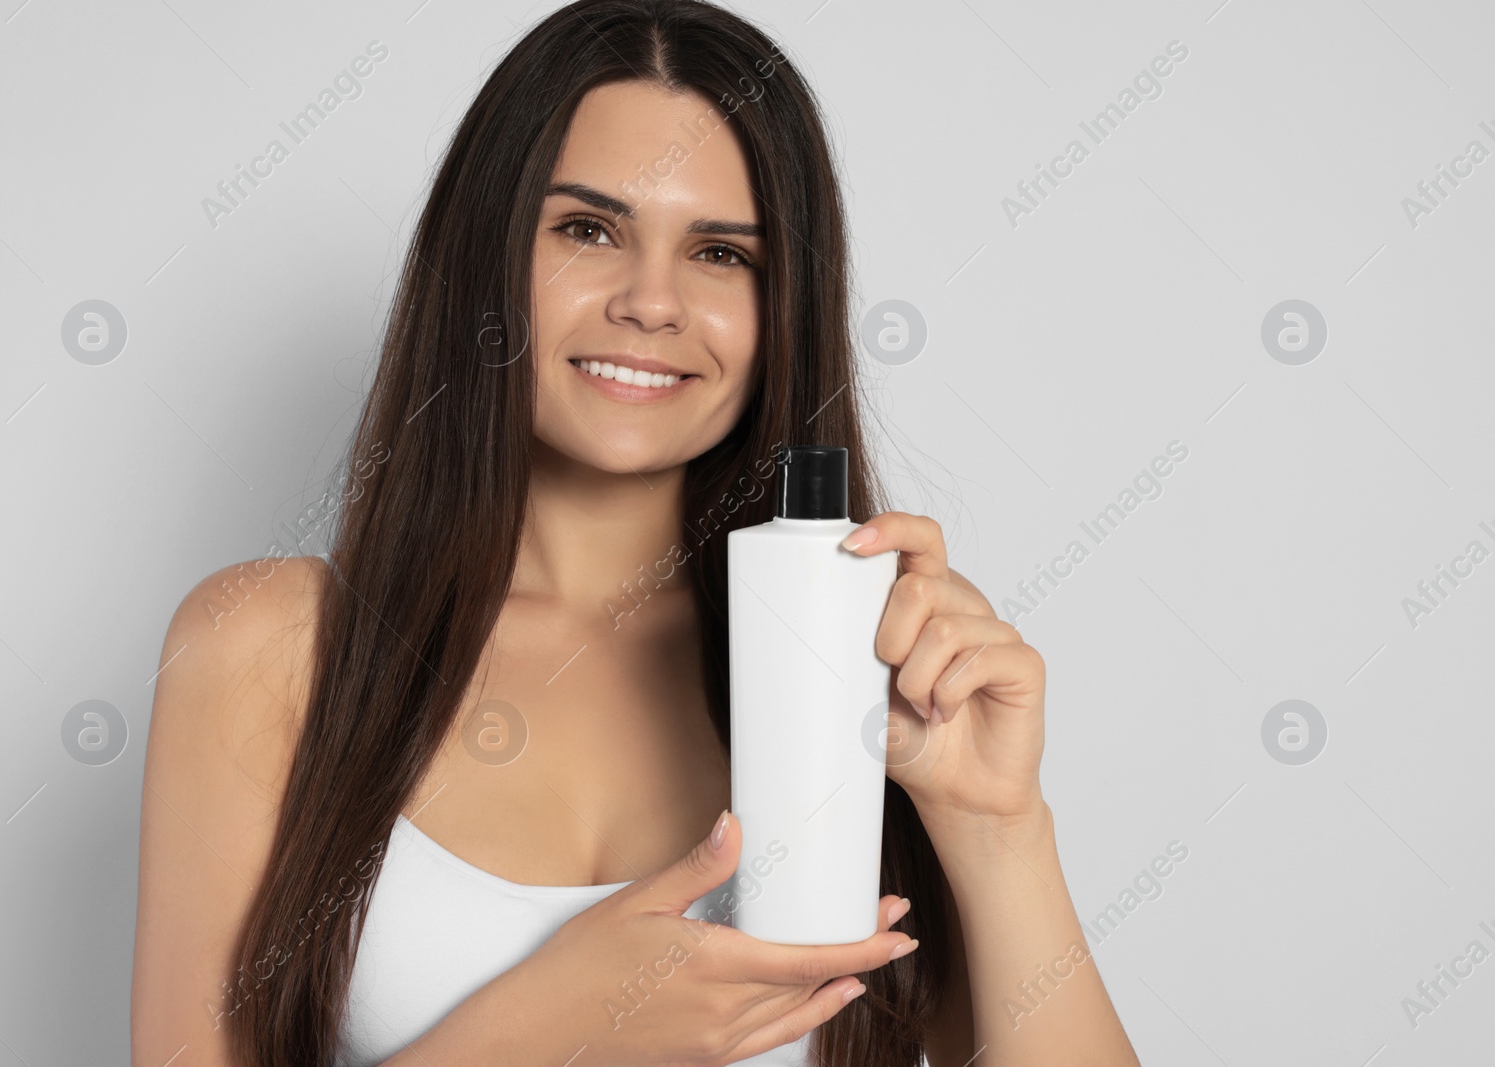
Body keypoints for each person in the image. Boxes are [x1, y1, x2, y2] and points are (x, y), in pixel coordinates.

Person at [130, 1, 1141, 1064]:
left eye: (718, 252)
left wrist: (996, 820)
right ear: (486, 262)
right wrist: (554, 1023)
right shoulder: (270, 648)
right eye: (588, 230)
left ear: (781, 308)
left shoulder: (867, 668)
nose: (651, 301)